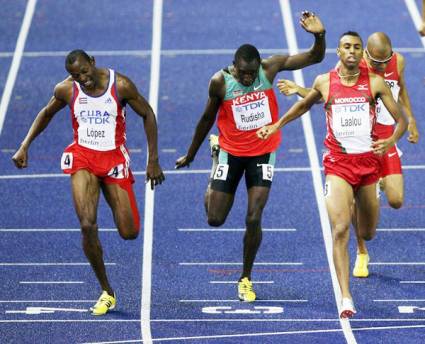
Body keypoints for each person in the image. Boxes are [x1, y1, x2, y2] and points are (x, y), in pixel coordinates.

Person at [175, 11, 326, 302]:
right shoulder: (220, 82)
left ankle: (245, 277)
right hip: (230, 152)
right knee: (214, 219)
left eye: (251, 73)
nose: (247, 78)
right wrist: (191, 153)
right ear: (234, 67)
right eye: (243, 73)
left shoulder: (269, 69)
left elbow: (314, 58)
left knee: (254, 216)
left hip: (263, 152)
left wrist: (319, 36)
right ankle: (214, 159)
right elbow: (206, 119)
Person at [256, 31, 407, 317]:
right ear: (338, 51)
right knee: (339, 230)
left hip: (368, 165)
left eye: (356, 47)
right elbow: (303, 105)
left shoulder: (374, 83)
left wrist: (390, 140)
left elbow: (401, 119)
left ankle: (365, 222)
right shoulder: (324, 82)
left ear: (361, 52)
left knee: (368, 232)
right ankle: (346, 298)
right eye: (346, 46)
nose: (351, 51)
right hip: (337, 165)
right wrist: (277, 125)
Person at [12, 50, 165, 315]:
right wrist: (25, 145)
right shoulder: (66, 90)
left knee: (129, 232)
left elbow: (148, 114)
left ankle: (109, 192)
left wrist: (153, 160)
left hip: (114, 157)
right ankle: (107, 291)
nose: (83, 79)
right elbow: (46, 113)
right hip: (83, 157)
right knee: (87, 224)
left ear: (92, 62)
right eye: (75, 75)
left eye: (84, 72)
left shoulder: (121, 85)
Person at [276, 32, 419, 279]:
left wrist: (411, 119)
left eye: (385, 62)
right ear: (366, 55)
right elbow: (326, 95)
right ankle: (362, 252)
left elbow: (401, 89)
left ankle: (378, 184)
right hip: (360, 144)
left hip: (386, 139)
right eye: (376, 63)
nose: (381, 67)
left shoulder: (398, 62)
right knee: (352, 204)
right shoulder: (351, 64)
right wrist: (299, 89)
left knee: (396, 201)